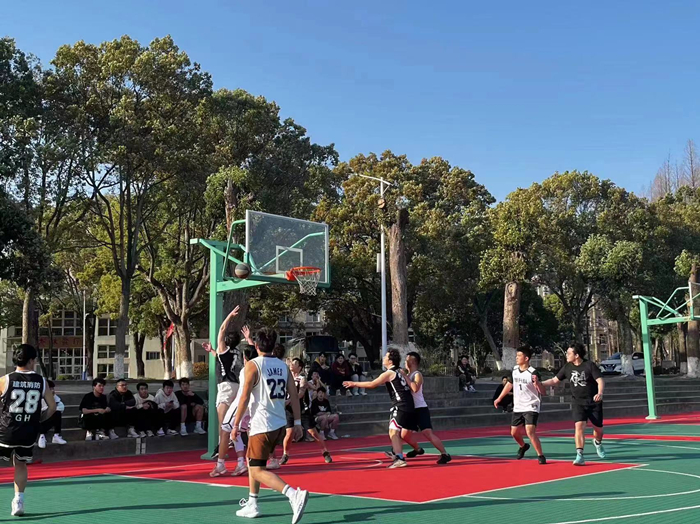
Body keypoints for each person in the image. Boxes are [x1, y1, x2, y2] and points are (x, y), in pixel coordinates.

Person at [232, 327, 309, 522]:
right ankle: (253, 503)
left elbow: (244, 398)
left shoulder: (252, 366)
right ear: (274, 345)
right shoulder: (283, 366)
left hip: (262, 423)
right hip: (280, 423)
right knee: (253, 461)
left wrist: (235, 424)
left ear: (256, 345)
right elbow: (294, 396)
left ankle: (293, 494)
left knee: (257, 470)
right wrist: (297, 422)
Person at [0, 344, 56, 516]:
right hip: (28, 431)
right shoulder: (41, 381)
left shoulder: (5, 379)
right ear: (32, 361)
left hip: (6, 430)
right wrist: (38, 420)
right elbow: (52, 407)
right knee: (21, 464)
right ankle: (18, 501)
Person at [344, 348, 422, 468]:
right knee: (397, 433)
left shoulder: (389, 373)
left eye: (386, 356)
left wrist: (353, 383)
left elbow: (372, 384)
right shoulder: (399, 370)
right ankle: (398, 454)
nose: (383, 358)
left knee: (393, 432)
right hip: (408, 405)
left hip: (400, 405)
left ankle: (400, 458)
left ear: (390, 361)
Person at [541, 342, 606, 466]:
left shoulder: (589, 365)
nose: (566, 355)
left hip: (593, 402)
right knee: (579, 427)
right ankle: (579, 455)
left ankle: (597, 442)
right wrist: (540, 384)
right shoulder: (567, 367)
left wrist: (600, 393)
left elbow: (600, 380)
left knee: (598, 429)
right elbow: (555, 380)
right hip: (578, 402)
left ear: (576, 355)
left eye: (568, 353)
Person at [203, 306, 246, 458]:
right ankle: (236, 454)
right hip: (236, 387)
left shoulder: (224, 348)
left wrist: (230, 316)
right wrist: (212, 351)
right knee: (231, 423)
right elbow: (222, 360)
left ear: (227, 340)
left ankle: (221, 449)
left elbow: (221, 329)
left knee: (223, 424)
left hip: (226, 387)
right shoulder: (237, 352)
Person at [494, 346, 546, 465]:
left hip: (531, 405)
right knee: (514, 433)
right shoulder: (515, 370)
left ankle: (540, 455)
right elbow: (509, 385)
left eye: (519, 356)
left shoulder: (533, 372)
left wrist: (537, 383)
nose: (516, 358)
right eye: (516, 356)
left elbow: (543, 391)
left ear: (526, 358)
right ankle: (523, 446)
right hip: (518, 406)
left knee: (529, 431)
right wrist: (499, 398)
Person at [214, 347, 257, 478]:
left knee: (225, 430)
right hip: (253, 405)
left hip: (241, 404)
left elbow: (244, 392)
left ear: (245, 358)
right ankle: (241, 463)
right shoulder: (260, 368)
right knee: (237, 433)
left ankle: (220, 465)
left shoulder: (246, 370)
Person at [281, 358, 332, 465]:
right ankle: (285, 454)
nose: (291, 364)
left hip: (302, 410)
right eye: (291, 363)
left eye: (294, 363)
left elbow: (300, 394)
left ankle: (325, 452)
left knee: (313, 433)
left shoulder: (302, 379)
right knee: (289, 434)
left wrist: (288, 401)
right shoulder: (286, 378)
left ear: (299, 367)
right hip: (289, 410)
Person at [404, 352, 452, 464]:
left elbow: (415, 388)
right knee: (404, 434)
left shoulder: (417, 375)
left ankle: (444, 454)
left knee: (427, 433)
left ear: (413, 361)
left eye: (407, 360)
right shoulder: (407, 375)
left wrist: (405, 376)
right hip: (410, 409)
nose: (405, 362)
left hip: (420, 408)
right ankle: (417, 449)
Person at [38, 380, 66, 448]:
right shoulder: (39, 397)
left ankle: (56, 435)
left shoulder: (54, 397)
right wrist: (48, 409)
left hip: (48, 418)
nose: (52, 390)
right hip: (39, 418)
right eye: (50, 389)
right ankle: (42, 436)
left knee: (57, 414)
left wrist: (52, 400)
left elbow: (61, 407)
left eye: (52, 388)